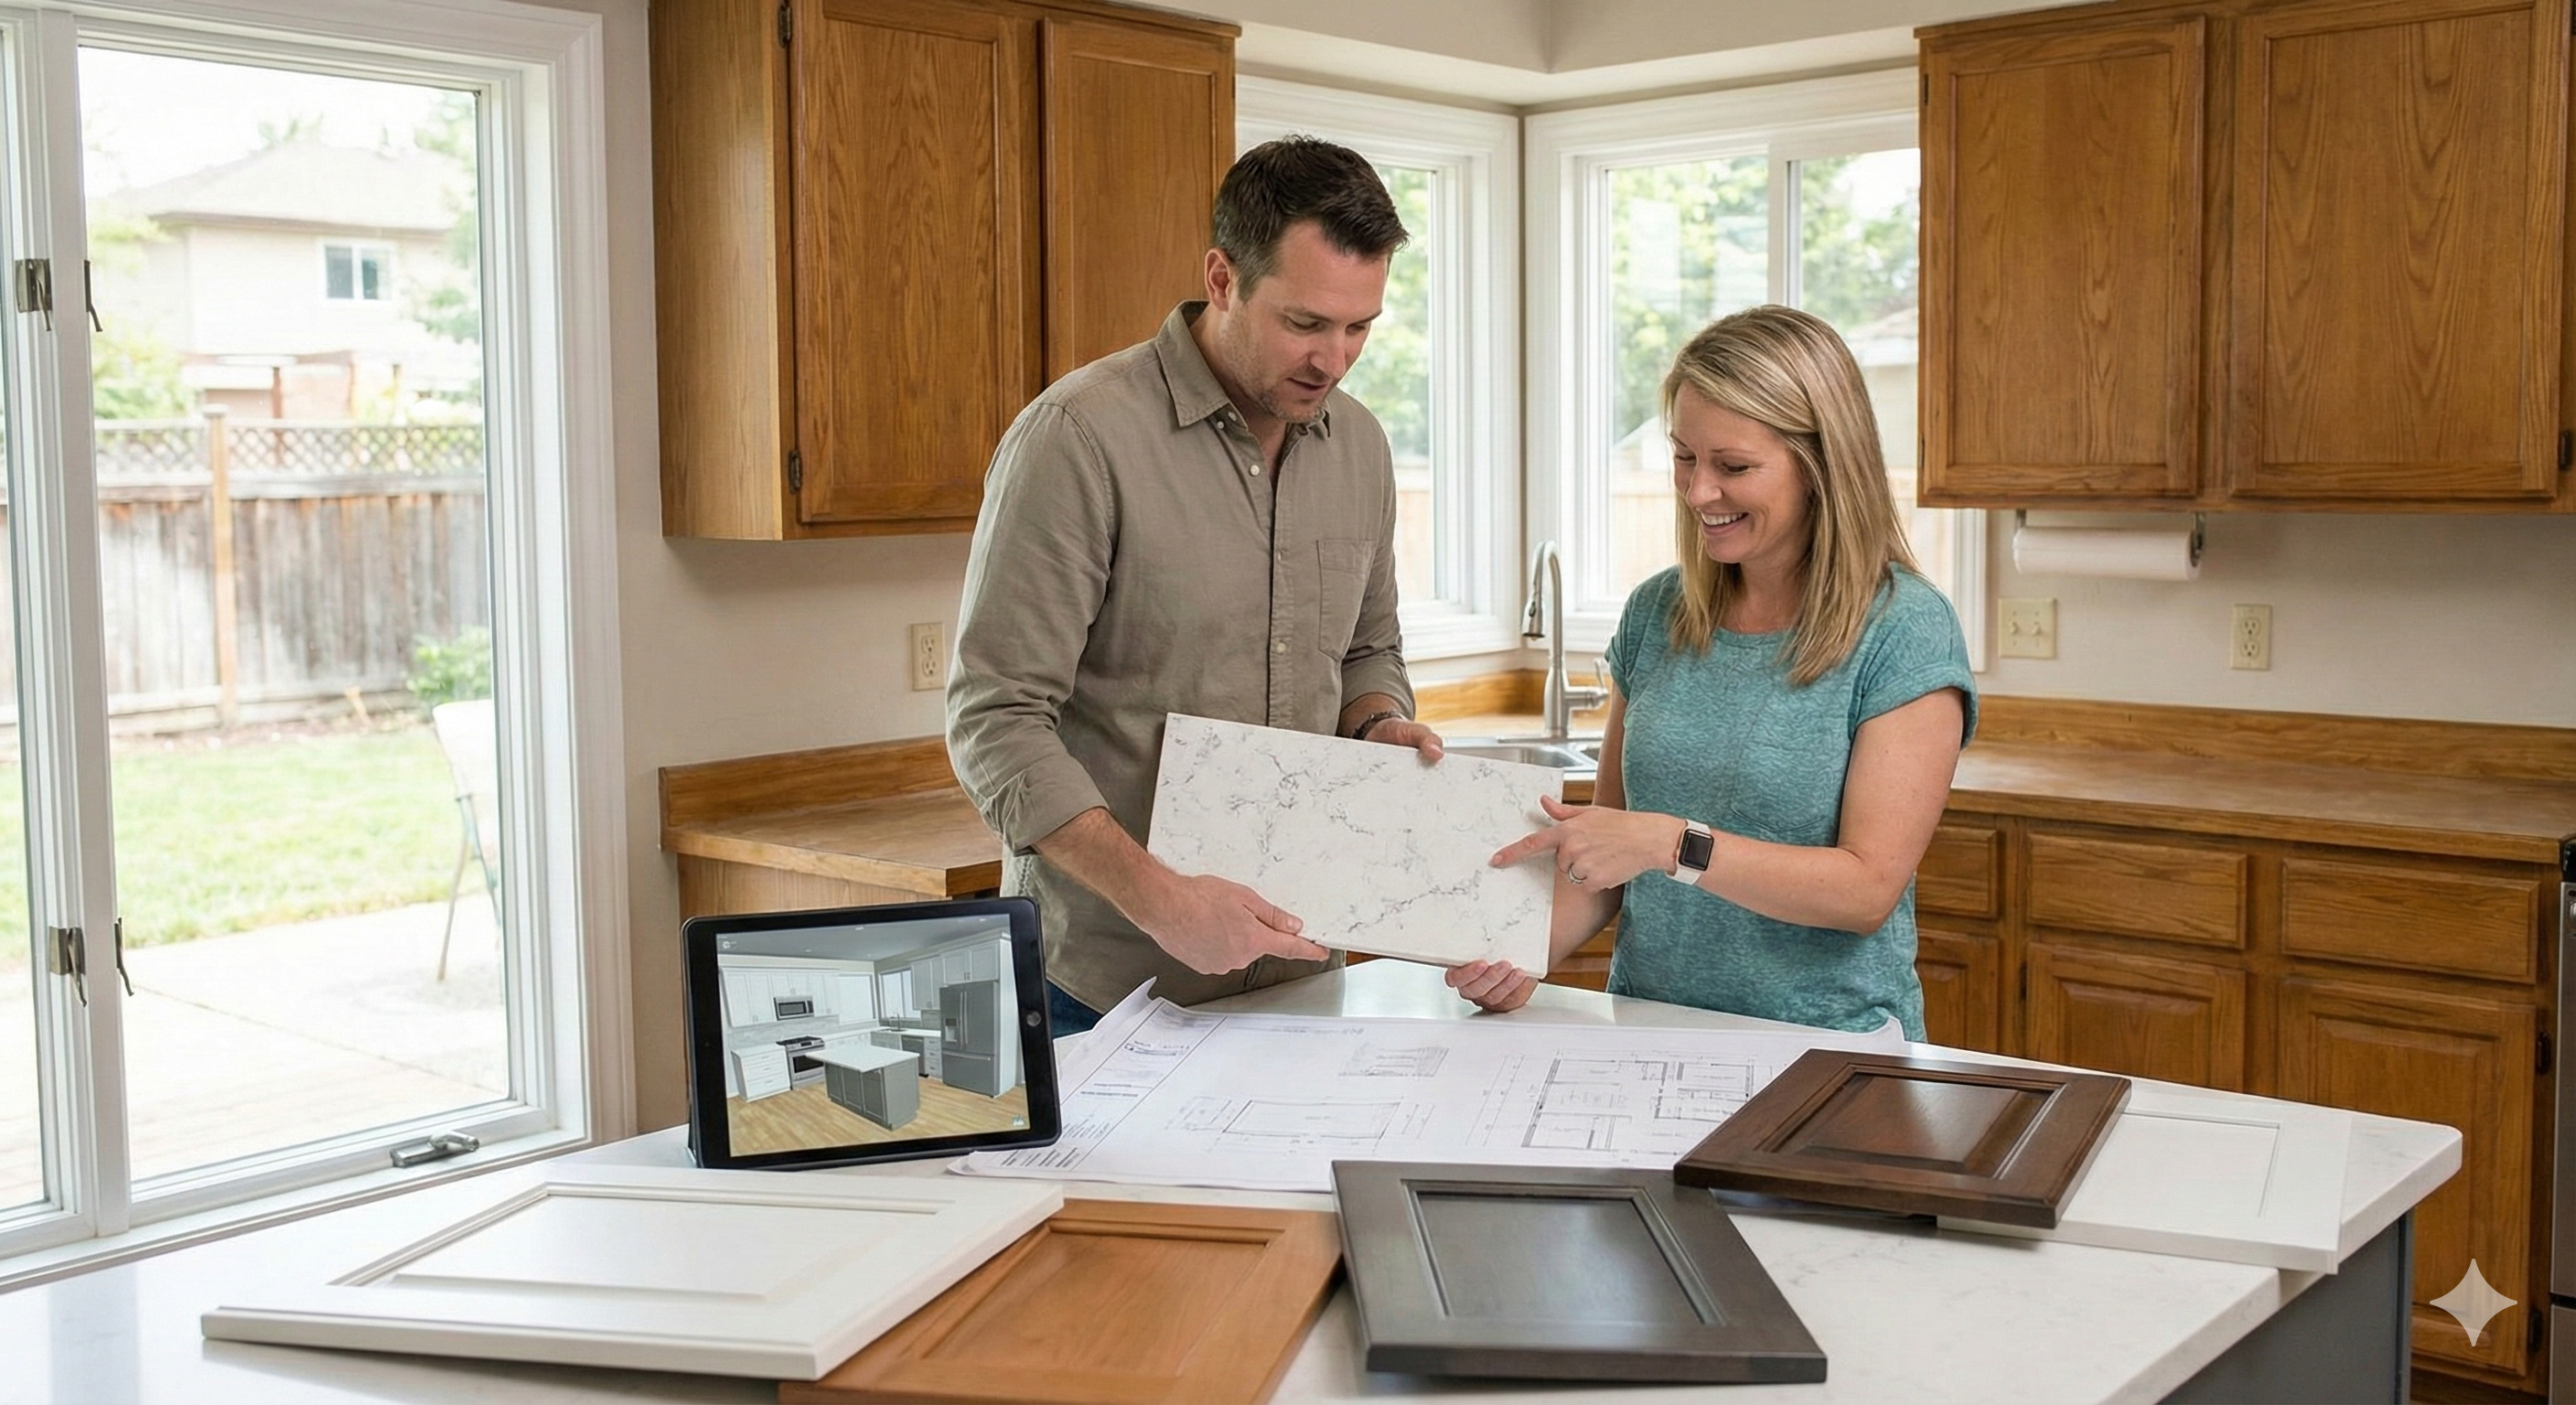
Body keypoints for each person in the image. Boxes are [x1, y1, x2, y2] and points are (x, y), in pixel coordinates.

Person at [947, 137, 1444, 1037]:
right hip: (1106, 989)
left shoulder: (1361, 448)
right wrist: (1161, 900)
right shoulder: (1078, 439)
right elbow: (996, 720)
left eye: (1358, 327)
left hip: (1302, 971)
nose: (1333, 359)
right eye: (1304, 323)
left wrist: (1378, 723)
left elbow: (1367, 651)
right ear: (1222, 279)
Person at [1451, 306, 1974, 1037]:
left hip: (1829, 1049)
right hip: (1649, 1032)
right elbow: (1606, 856)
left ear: (1822, 466)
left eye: (1733, 467)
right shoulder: (1657, 612)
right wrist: (1517, 958)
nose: (1698, 491)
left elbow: (1865, 891)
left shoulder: (1903, 629)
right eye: (1683, 457)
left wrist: (1673, 845)